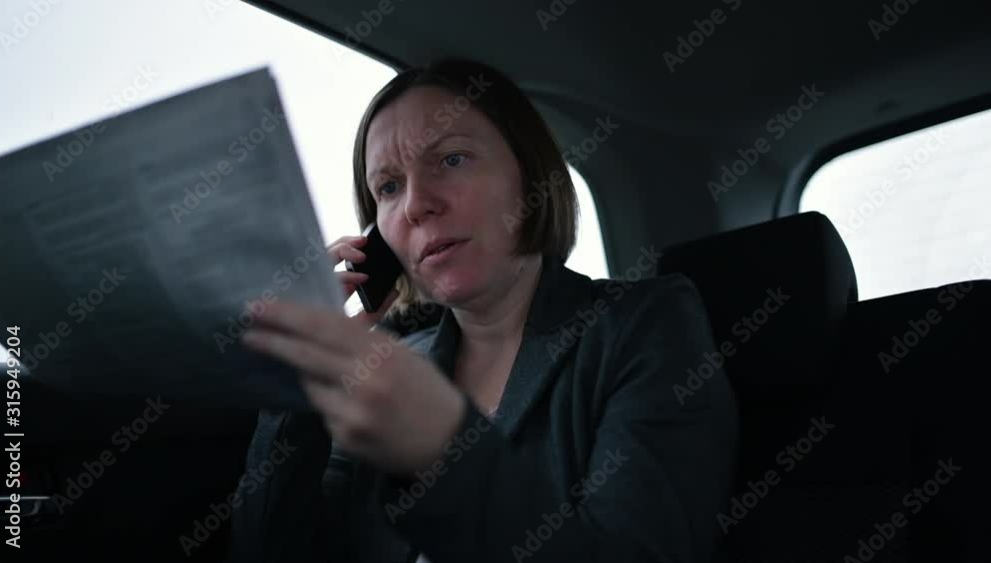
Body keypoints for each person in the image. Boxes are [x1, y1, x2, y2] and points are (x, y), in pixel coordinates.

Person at [228, 58, 739, 563]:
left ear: (530, 174)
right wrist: (293, 390)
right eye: (387, 187)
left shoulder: (644, 325)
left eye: (451, 159)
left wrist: (442, 450)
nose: (414, 204)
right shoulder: (387, 366)